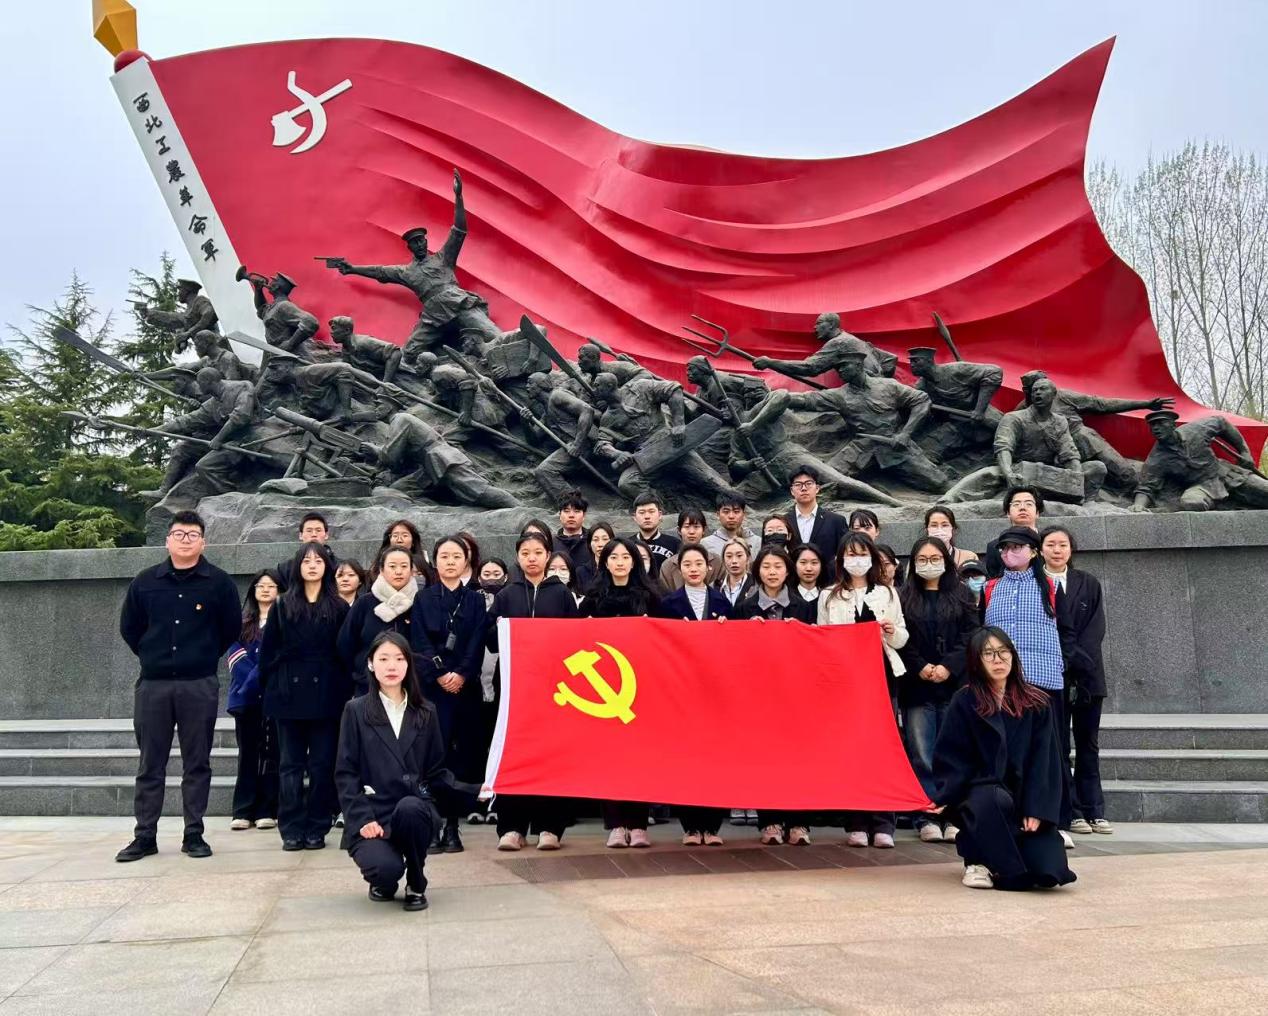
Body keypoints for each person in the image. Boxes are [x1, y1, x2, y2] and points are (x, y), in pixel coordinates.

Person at [116, 511, 241, 863]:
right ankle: (144, 836)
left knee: (197, 762)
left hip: (198, 684)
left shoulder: (219, 583)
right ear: (168, 540)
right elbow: (130, 628)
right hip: (153, 685)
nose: (186, 540)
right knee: (150, 763)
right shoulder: (145, 582)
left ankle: (194, 833)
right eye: (179, 534)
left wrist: (201, 656)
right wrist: (153, 655)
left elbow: (230, 629)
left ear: (203, 542)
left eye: (192, 535)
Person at [930, 627, 1076, 891]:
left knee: (1048, 872)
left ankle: (1008, 862)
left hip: (1022, 796)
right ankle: (978, 862)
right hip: (980, 794)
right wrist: (945, 795)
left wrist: (1036, 808)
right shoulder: (965, 701)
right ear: (976, 661)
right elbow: (951, 755)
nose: (998, 660)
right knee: (994, 802)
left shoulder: (1036, 702)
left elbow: (1045, 762)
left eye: (1003, 651)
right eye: (988, 653)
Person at [335, 632, 460, 911]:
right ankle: (385, 878)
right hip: (373, 814)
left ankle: (416, 880)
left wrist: (475, 791)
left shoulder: (426, 711)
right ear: (371, 664)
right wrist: (362, 819)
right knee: (385, 870)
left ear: (408, 665)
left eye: (399, 659)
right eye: (383, 659)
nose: (391, 666)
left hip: (413, 810)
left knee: (411, 808)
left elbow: (436, 772)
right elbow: (346, 772)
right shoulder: (355, 710)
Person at [981, 526, 1074, 846]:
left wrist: (1063, 666)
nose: (1010, 553)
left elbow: (1068, 631)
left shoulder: (1051, 586)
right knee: (1008, 751)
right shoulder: (991, 588)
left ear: (1034, 552)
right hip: (1003, 683)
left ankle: (1057, 819)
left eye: (1018, 547)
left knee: (1050, 754)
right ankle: (1012, 815)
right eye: (1005, 548)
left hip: (1042, 681)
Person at [488, 533, 580, 850]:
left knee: (551, 756)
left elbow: (575, 639)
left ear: (548, 555)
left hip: (554, 688)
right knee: (514, 754)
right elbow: (490, 639)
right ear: (517, 557)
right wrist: (503, 627)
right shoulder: (506, 594)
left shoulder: (562, 594)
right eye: (525, 552)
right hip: (514, 687)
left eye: (538, 552)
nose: (531, 558)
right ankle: (512, 827)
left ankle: (550, 827)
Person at [818, 533, 908, 848]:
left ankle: (883, 822)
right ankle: (856, 821)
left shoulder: (887, 593)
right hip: (844, 680)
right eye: (850, 554)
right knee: (851, 749)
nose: (857, 560)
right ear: (841, 559)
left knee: (883, 747)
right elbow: (822, 638)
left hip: (881, 675)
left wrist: (891, 631)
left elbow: (902, 637)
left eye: (862, 554)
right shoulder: (829, 595)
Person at [259, 542, 351, 851]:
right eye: (306, 560)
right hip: (288, 693)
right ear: (298, 567)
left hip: (327, 693)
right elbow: (268, 653)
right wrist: (273, 687)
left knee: (322, 765)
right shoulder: (282, 605)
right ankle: (291, 827)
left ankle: (317, 826)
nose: (312, 565)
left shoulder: (339, 606)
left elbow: (345, 653)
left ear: (327, 567)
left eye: (318, 561)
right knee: (290, 765)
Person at [580, 538, 661, 847]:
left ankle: (638, 824)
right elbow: (576, 638)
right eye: (613, 557)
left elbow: (666, 637)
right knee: (609, 757)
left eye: (625, 557)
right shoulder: (592, 598)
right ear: (605, 562)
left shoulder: (651, 597)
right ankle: (615, 824)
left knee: (639, 757)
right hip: (603, 687)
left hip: (641, 686)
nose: (620, 562)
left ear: (634, 562)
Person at [898, 537, 979, 842]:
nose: (928, 564)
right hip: (917, 685)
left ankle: (954, 813)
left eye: (935, 559)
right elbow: (900, 637)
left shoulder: (961, 594)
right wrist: (920, 666)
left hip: (954, 684)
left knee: (954, 751)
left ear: (946, 561)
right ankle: (927, 815)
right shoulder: (903, 596)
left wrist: (949, 666)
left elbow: (971, 633)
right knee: (922, 753)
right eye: (922, 559)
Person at [735, 546, 815, 845]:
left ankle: (799, 823)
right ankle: (769, 822)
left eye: (778, 566)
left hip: (795, 695)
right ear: (758, 571)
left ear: (788, 570)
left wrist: (803, 634)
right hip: (759, 696)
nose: (772, 572)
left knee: (798, 759)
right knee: (765, 758)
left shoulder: (803, 607)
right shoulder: (744, 608)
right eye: (766, 566)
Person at [415, 536, 489, 854]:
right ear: (435, 561)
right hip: (433, 690)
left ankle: (453, 826)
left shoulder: (475, 600)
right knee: (434, 754)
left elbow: (477, 642)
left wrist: (461, 674)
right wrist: (441, 673)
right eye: (444, 556)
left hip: (465, 689)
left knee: (462, 757)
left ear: (466, 561)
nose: (450, 561)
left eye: (456, 556)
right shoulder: (423, 598)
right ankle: (433, 824)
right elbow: (419, 641)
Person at [1041, 526, 1112, 836]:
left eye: (1063, 545)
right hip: (1050, 674)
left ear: (1071, 549)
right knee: (1058, 744)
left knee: (1088, 743)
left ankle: (1094, 808)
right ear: (1040, 549)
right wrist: (1061, 658)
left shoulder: (1088, 582)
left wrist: (1077, 660)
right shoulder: (1035, 583)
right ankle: (1071, 811)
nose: (1057, 550)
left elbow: (1096, 628)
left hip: (1087, 675)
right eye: (1051, 544)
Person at [658, 544, 731, 845]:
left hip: (715, 693)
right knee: (686, 758)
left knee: (716, 758)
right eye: (687, 564)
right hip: (682, 692)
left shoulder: (723, 603)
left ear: (709, 567)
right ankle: (690, 827)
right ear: (679, 569)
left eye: (698, 563)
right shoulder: (669, 604)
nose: (693, 569)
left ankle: (712, 827)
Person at [226, 570, 282, 832]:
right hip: (245, 698)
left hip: (274, 696)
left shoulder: (285, 622)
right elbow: (234, 655)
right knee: (247, 753)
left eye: (271, 586)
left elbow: (279, 656)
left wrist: (261, 676)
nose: (265, 589)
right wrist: (253, 680)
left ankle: (267, 809)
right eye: (261, 586)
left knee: (272, 753)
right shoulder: (241, 623)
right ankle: (242, 809)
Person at [338, 546, 423, 696]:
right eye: (392, 566)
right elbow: (345, 644)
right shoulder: (365, 603)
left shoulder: (421, 603)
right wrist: (362, 672)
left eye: (404, 566)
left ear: (411, 571)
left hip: (411, 686)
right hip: (368, 686)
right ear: (382, 570)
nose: (398, 571)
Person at [782, 465, 847, 581]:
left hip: (828, 583)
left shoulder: (836, 521)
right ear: (792, 490)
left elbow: (844, 555)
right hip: (791, 584)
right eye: (798, 484)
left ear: (817, 488)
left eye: (808, 483)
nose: (803, 488)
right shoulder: (783, 522)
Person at [657, 509, 725, 593]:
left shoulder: (717, 562)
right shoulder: (668, 566)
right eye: (687, 527)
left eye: (696, 527)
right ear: (679, 530)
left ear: (704, 530)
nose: (691, 532)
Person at [982, 488, 1043, 578]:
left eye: (1029, 504)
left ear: (1037, 512)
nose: (1022, 508)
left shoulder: (1047, 543)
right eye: (1016, 504)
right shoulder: (994, 546)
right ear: (1008, 513)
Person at [630, 492, 680, 579]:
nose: (647, 516)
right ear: (634, 517)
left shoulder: (675, 544)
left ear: (660, 515)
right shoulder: (626, 544)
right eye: (642, 512)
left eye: (651, 511)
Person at [277, 511, 330, 586]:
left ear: (326, 535)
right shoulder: (285, 569)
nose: (314, 534)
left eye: (318, 530)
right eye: (309, 531)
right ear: (300, 535)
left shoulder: (337, 566)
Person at [702, 493, 760, 558]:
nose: (731, 516)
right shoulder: (706, 544)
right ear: (718, 515)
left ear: (744, 514)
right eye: (726, 512)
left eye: (736, 511)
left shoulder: (757, 542)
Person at [715, 537, 756, 608]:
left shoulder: (756, 586)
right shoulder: (715, 587)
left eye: (739, 556)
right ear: (723, 559)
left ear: (748, 558)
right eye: (729, 556)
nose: (734, 561)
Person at [575, 521, 614, 593]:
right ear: (589, 544)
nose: (600, 544)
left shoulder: (620, 568)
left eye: (605, 539)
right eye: (595, 540)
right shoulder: (581, 572)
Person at [555, 490, 589, 563]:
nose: (571, 515)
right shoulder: (551, 543)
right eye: (566, 511)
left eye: (576, 511)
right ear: (560, 515)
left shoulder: (592, 542)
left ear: (584, 515)